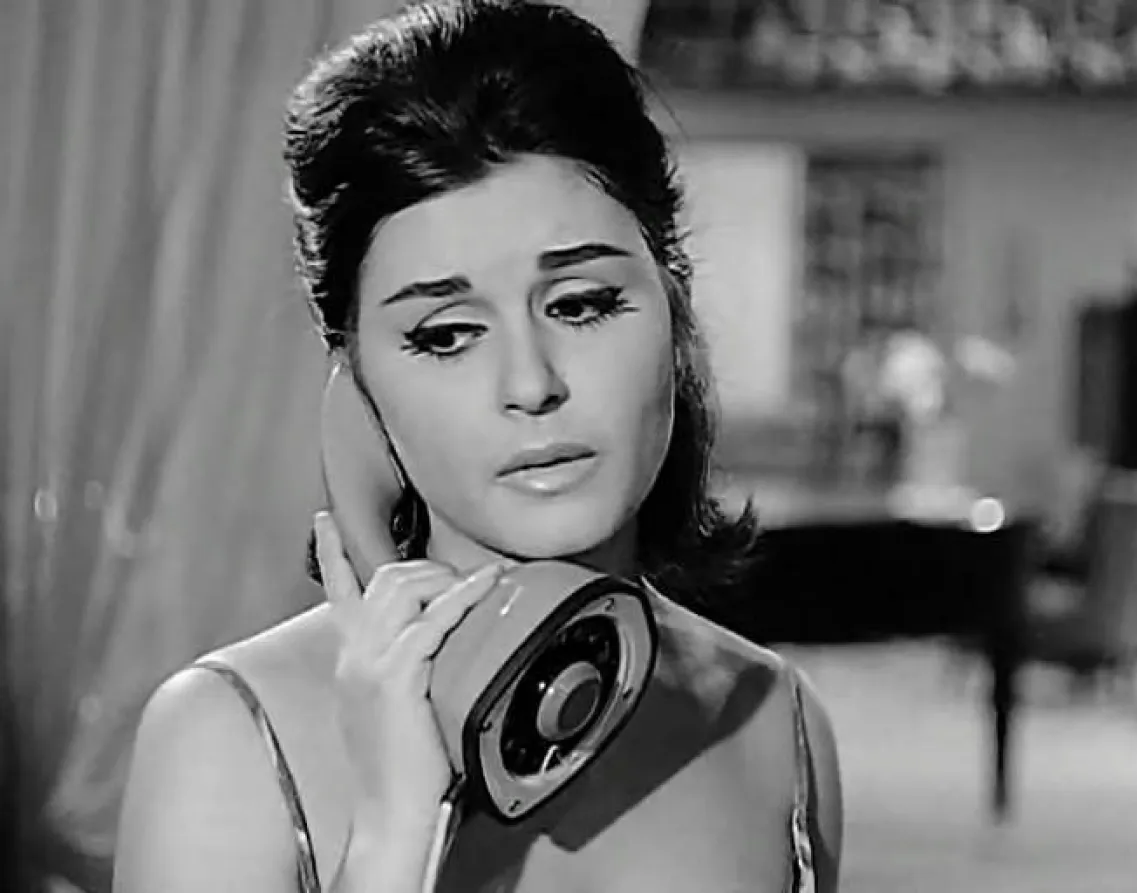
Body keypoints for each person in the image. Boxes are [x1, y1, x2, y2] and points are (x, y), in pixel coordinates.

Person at [113, 2, 843, 891]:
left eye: (580, 304)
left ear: (674, 304)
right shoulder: (226, 739)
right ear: (358, 390)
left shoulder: (775, 722)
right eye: (447, 334)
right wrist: (392, 832)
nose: (531, 383)